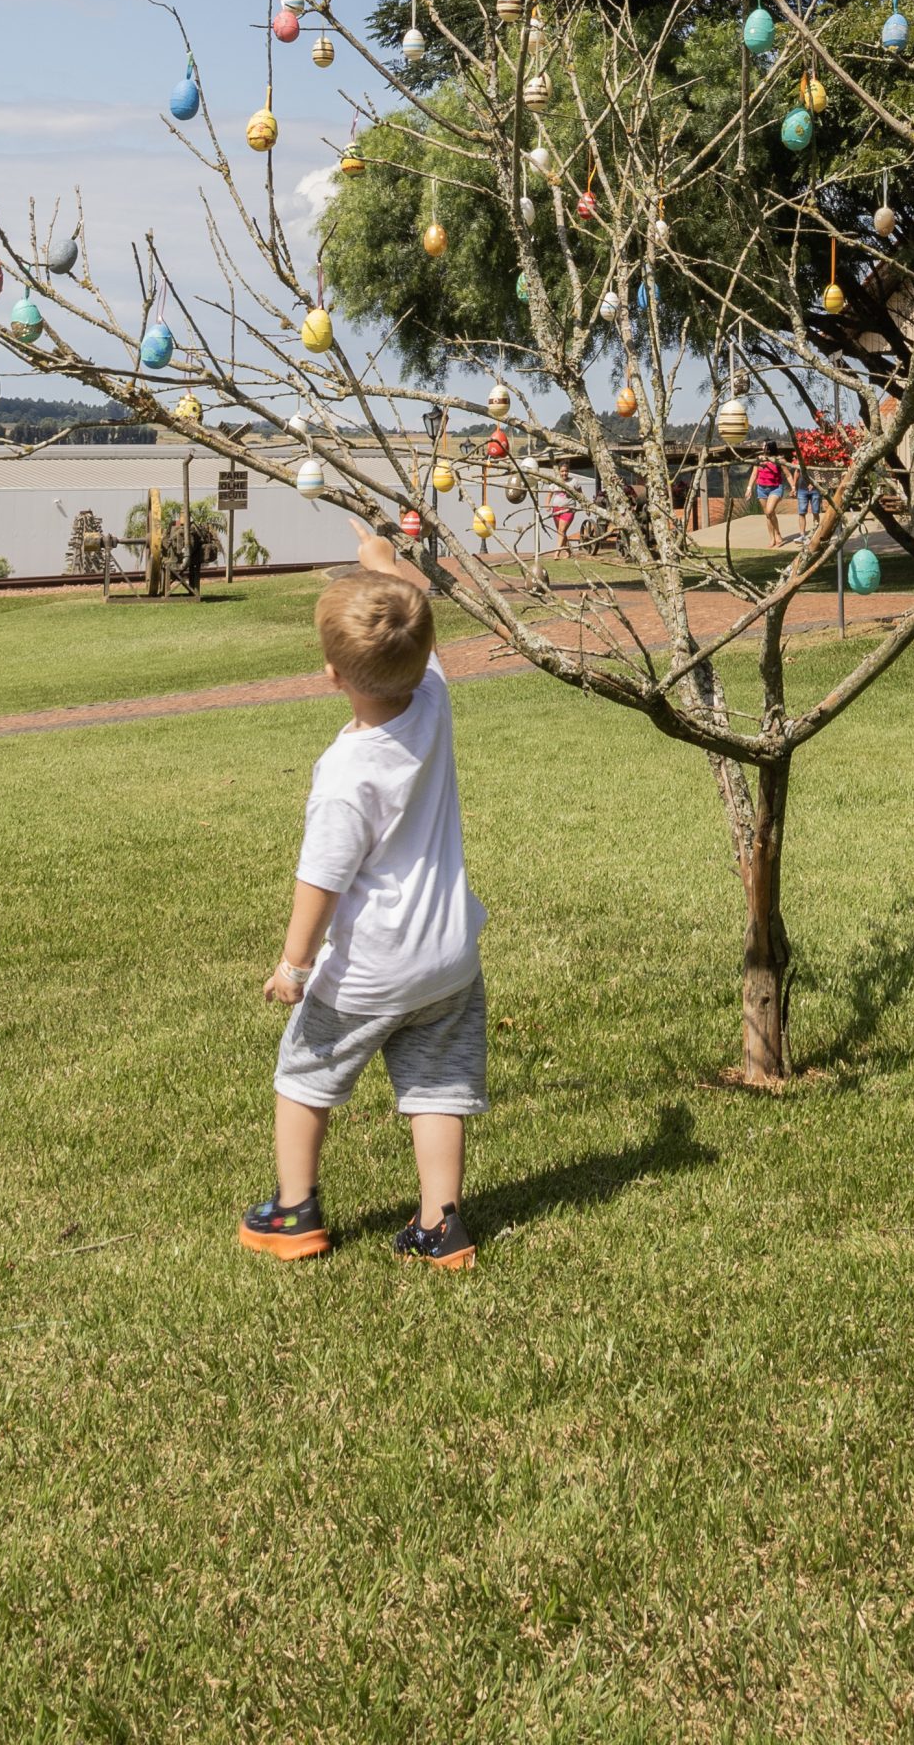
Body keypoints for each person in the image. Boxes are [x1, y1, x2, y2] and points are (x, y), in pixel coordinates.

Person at [239, 523, 487, 1270]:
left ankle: (293, 1214)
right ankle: (442, 1227)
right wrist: (382, 561)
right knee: (437, 1085)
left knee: (304, 1076)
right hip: (448, 959)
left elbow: (321, 879)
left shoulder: (347, 772)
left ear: (331, 674)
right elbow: (414, 616)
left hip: (368, 971)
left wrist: (293, 964)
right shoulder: (434, 698)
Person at [754, 440, 788, 545]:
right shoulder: (759, 459)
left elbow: (788, 474)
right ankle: (772, 538)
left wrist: (793, 487)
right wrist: (749, 488)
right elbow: (754, 473)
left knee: (769, 511)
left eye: (764, 445)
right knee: (768, 515)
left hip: (775, 488)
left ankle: (777, 533)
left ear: (769, 447)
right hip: (761, 488)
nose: (762, 447)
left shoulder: (779, 459)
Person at [794, 454, 821, 547]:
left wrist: (813, 484)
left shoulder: (817, 458)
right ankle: (802, 535)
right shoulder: (800, 459)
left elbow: (820, 474)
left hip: (815, 490)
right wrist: (794, 487)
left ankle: (816, 533)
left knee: (815, 512)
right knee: (801, 512)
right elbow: (797, 472)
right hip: (802, 489)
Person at [548, 480, 576, 557]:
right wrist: (547, 504)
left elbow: (580, 494)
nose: (564, 473)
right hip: (556, 509)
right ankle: (568, 551)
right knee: (561, 532)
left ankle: (557, 552)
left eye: (566, 471)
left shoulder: (574, 482)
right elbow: (549, 495)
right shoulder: (554, 482)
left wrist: (584, 505)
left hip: (569, 509)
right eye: (562, 471)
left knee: (561, 530)